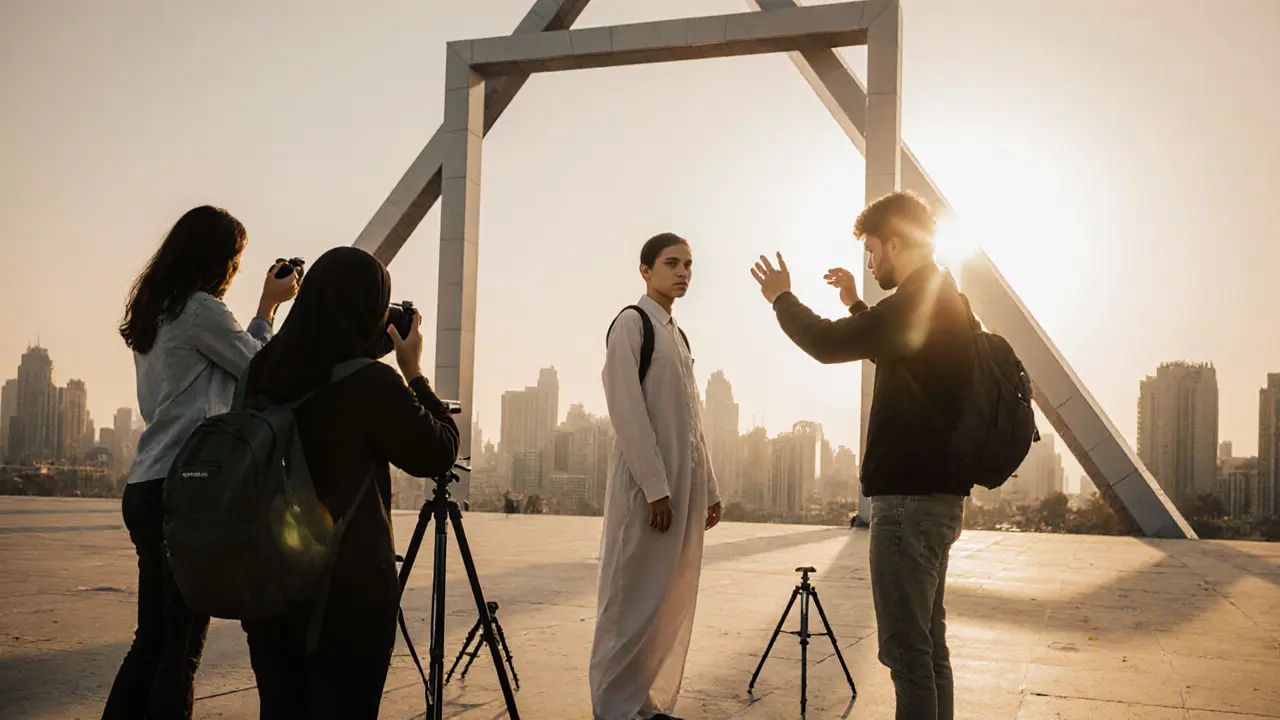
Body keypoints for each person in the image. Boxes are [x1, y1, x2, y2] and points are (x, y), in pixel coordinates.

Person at [750, 191, 974, 720]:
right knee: (928, 647)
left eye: (872, 252)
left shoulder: (919, 300)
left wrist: (783, 297)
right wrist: (856, 302)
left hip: (907, 504)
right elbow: (895, 342)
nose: (869, 264)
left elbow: (828, 344)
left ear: (896, 241)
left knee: (906, 654)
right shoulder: (947, 298)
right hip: (940, 499)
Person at [238, 246, 460, 719]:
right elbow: (440, 449)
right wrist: (413, 371)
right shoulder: (372, 385)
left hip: (269, 588)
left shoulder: (263, 369)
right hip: (346, 598)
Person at [106, 205, 299, 719]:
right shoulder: (199, 311)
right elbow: (260, 370)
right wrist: (268, 306)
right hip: (185, 490)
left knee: (152, 641)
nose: (235, 269)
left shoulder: (156, 312)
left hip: (145, 484)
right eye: (235, 259)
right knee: (180, 650)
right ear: (218, 260)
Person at [591, 232, 723, 720]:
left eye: (689, 264)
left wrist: (707, 489)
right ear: (645, 270)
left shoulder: (678, 336)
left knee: (665, 599)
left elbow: (692, 420)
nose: (683, 272)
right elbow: (627, 410)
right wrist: (655, 489)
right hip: (647, 491)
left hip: (682, 490)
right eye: (672, 263)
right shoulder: (633, 324)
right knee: (629, 602)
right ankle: (612, 707)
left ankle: (642, 702)